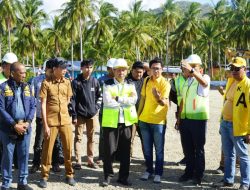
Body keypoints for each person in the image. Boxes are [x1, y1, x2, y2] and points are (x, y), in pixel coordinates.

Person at [39, 58, 76, 188]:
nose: (65, 70)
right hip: (51, 121)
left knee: (67, 148)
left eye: (66, 68)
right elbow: (43, 105)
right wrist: (46, 125)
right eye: (62, 68)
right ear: (55, 69)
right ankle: (44, 176)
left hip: (65, 120)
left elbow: (68, 99)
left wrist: (66, 113)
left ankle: (69, 174)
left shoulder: (67, 83)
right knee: (47, 150)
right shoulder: (46, 83)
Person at [101, 58, 137, 187]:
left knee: (126, 151)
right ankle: (108, 176)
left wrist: (118, 98)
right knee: (109, 151)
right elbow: (107, 102)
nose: (121, 72)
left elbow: (134, 100)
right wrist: (125, 100)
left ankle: (123, 177)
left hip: (126, 122)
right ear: (113, 71)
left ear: (126, 71)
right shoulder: (107, 84)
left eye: (123, 70)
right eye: (118, 70)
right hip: (111, 122)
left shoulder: (130, 84)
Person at [0, 62, 35, 190]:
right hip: (8, 127)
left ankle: (22, 182)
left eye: (25, 72)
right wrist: (14, 125)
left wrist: (28, 122)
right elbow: (1, 108)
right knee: (8, 157)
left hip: (25, 126)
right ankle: (6, 184)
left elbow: (33, 105)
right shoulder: (3, 87)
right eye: (21, 73)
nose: (24, 75)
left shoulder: (28, 87)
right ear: (13, 73)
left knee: (24, 155)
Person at [177, 54, 210, 185]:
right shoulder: (187, 81)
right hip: (185, 120)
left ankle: (198, 175)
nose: (190, 69)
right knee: (187, 149)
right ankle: (188, 172)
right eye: (189, 67)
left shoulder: (204, 78)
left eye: (194, 67)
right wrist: (179, 118)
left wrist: (192, 70)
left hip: (198, 120)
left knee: (198, 149)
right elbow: (182, 102)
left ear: (200, 68)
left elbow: (205, 83)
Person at [138, 58, 170, 184]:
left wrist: (158, 98)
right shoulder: (146, 80)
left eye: (158, 68)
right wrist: (138, 115)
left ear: (162, 69)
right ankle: (149, 170)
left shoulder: (165, 83)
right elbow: (142, 99)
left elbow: (164, 103)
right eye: (153, 68)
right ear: (149, 70)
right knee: (146, 148)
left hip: (158, 122)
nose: (156, 70)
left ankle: (158, 173)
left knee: (159, 149)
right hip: (144, 120)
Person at [29, 59, 64, 174]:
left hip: (54, 117)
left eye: (54, 70)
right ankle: (35, 163)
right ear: (45, 69)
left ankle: (55, 163)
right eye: (50, 70)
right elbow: (32, 98)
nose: (52, 72)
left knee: (56, 141)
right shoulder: (36, 81)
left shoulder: (58, 81)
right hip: (40, 116)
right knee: (39, 141)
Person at [220, 57, 250, 190]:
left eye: (237, 69)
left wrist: (249, 131)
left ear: (245, 69)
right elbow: (227, 100)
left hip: (239, 126)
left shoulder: (248, 85)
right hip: (225, 123)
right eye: (232, 68)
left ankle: (245, 183)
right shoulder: (231, 81)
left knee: (242, 156)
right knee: (228, 154)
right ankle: (228, 180)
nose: (234, 71)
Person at [71, 59, 102, 170]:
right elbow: (72, 100)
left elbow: (100, 96)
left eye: (90, 67)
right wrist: (74, 115)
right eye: (86, 67)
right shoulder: (76, 82)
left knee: (91, 138)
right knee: (78, 138)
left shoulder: (95, 81)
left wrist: (96, 108)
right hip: (80, 115)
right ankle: (78, 161)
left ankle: (90, 160)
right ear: (82, 68)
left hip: (92, 115)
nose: (88, 70)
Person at [97, 58, 116, 164]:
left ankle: (114, 155)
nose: (115, 71)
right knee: (103, 135)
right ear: (109, 69)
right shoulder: (101, 80)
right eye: (113, 69)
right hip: (104, 112)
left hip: (117, 111)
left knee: (115, 134)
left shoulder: (120, 80)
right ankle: (101, 156)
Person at [126, 61, 145, 157]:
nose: (139, 74)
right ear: (132, 70)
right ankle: (128, 157)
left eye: (141, 72)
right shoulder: (126, 81)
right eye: (137, 72)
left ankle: (147, 159)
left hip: (142, 115)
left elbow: (149, 67)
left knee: (145, 139)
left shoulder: (145, 80)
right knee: (129, 139)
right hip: (130, 115)